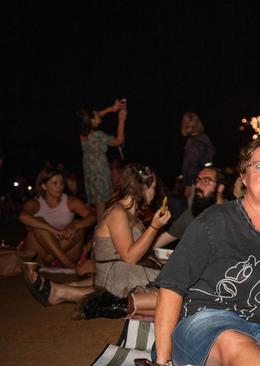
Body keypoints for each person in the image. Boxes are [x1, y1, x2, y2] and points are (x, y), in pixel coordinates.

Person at [154, 139, 260, 366]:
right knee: (235, 342)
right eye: (259, 166)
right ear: (243, 177)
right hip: (209, 323)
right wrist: (162, 359)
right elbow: (171, 288)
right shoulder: (214, 220)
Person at [22, 164, 171, 320]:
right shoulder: (118, 213)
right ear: (142, 189)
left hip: (119, 271)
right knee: (173, 291)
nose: (154, 193)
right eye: (153, 187)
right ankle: (107, 304)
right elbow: (130, 256)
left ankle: (62, 292)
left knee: (171, 283)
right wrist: (154, 227)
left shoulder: (130, 214)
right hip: (117, 274)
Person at [19, 167, 96, 268]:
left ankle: (50, 259)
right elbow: (22, 216)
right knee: (39, 223)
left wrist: (75, 227)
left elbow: (92, 217)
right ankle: (66, 262)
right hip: (39, 251)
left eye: (61, 183)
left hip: (64, 248)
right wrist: (50, 229)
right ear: (44, 186)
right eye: (54, 183)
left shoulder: (70, 201)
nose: (59, 186)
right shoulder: (35, 203)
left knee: (78, 225)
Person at [153, 165, 225, 248]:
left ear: (220, 188)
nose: (198, 185)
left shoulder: (233, 215)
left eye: (206, 181)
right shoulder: (192, 213)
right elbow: (161, 240)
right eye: (197, 180)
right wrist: (154, 226)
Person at [78, 98, 127, 220]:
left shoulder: (83, 135)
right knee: (102, 206)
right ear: (91, 120)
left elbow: (96, 116)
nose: (99, 113)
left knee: (102, 203)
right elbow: (119, 141)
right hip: (100, 174)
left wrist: (112, 108)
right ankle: (99, 234)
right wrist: (121, 120)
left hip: (91, 175)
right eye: (96, 114)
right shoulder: (98, 136)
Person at [180, 112, 216, 206]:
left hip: (195, 182)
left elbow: (192, 164)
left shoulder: (193, 142)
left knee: (193, 208)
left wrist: (188, 185)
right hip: (205, 180)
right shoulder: (205, 139)